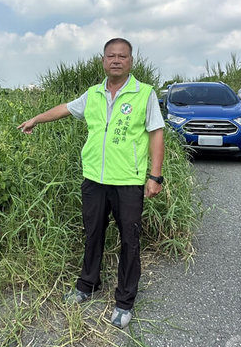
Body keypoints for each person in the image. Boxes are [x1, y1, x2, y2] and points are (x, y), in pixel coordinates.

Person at [18, 38, 165, 329]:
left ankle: (124, 302)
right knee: (93, 233)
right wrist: (36, 119)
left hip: (128, 181)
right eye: (111, 55)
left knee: (129, 241)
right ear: (103, 60)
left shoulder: (144, 94)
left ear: (131, 61)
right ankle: (88, 284)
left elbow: (156, 133)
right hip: (94, 179)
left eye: (122, 56)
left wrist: (154, 176)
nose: (116, 60)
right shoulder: (94, 94)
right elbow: (64, 108)